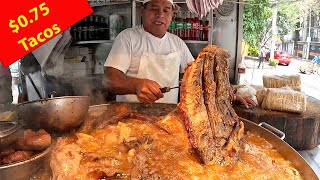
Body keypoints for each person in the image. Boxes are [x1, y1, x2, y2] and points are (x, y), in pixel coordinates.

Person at [103, 0, 256, 108]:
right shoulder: (128, 37)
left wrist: (227, 96)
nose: (160, 15)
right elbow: (109, 80)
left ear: (172, 15)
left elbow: (197, 79)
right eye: (154, 8)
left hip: (169, 118)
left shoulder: (177, 43)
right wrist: (136, 85)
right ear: (142, 11)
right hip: (130, 116)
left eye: (166, 10)